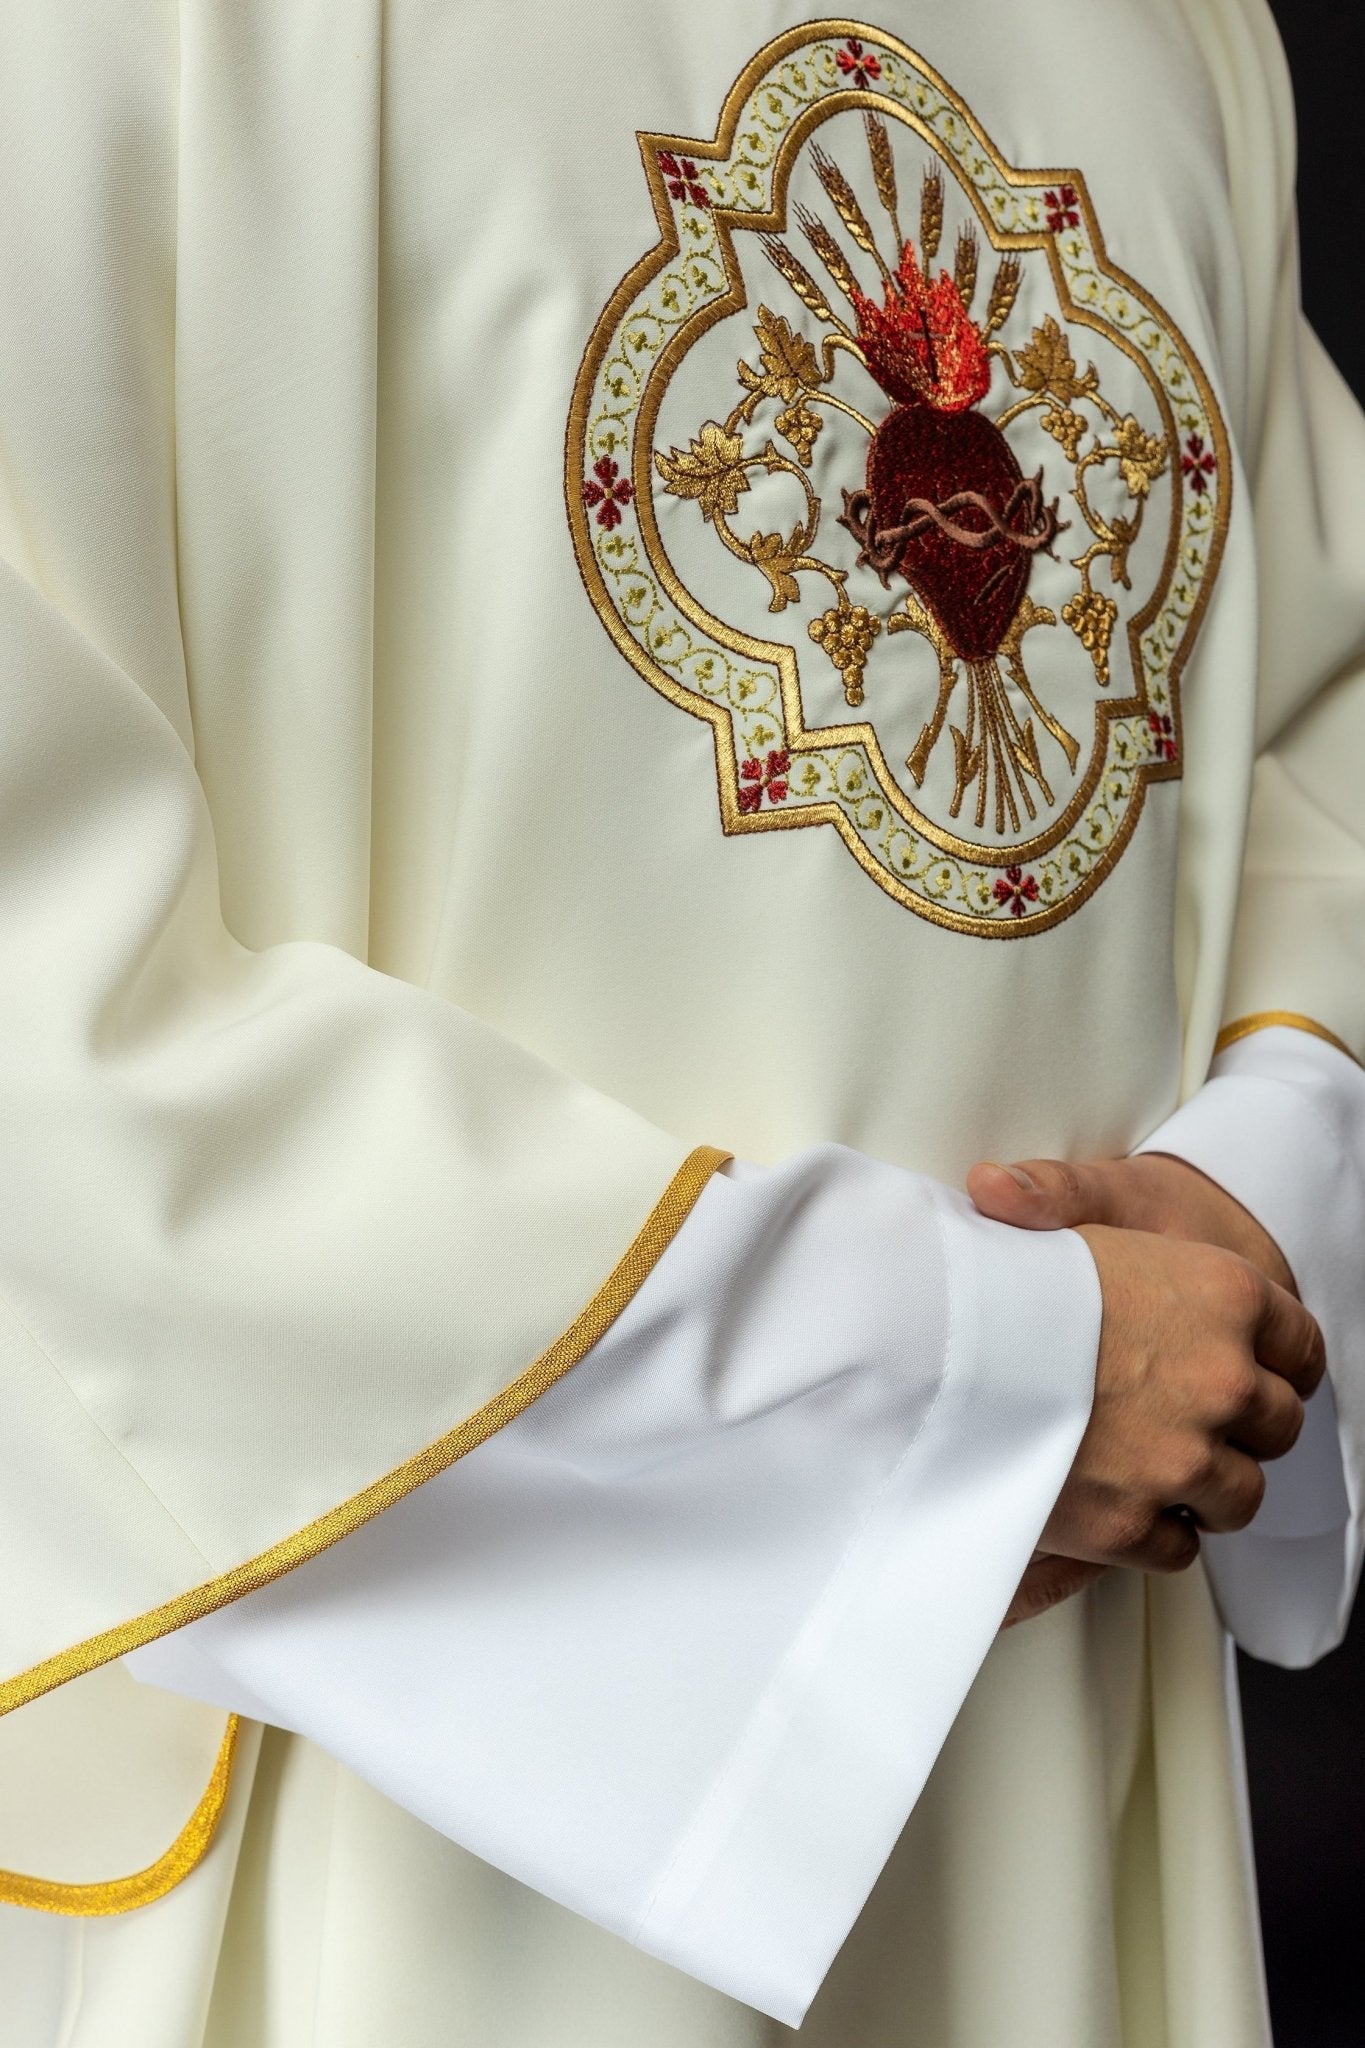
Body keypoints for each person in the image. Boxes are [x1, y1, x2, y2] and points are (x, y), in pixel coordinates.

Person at [1, 2, 1361, 2043]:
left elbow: (1305, 709)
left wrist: (1259, 1186)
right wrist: (938, 1381)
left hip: (1063, 1715)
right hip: (419, 1781)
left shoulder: (1171, 28)